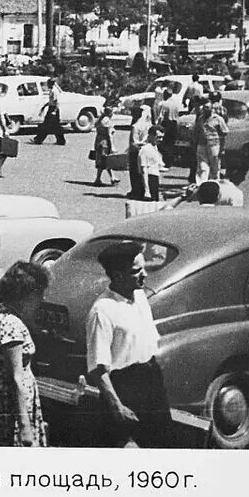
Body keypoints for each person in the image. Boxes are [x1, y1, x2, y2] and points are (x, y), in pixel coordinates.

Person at [87, 242, 172, 448]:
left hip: (150, 380)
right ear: (118, 276)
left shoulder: (140, 296)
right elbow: (98, 370)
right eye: (136, 271)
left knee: (162, 445)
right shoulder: (102, 311)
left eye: (144, 268)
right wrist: (117, 406)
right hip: (123, 387)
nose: (145, 275)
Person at [0, 261, 49, 446]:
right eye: (39, 295)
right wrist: (24, 426)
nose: (42, 300)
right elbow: (16, 378)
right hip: (11, 405)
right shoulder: (13, 326)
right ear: (27, 296)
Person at [193, 101, 228, 183]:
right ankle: (201, 184)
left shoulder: (218, 119)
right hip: (202, 144)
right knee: (202, 166)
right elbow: (196, 131)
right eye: (204, 107)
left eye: (207, 108)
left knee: (214, 166)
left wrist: (222, 147)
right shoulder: (200, 118)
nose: (205, 109)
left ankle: (214, 183)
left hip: (214, 145)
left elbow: (224, 132)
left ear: (212, 109)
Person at [126, 106, 151, 199]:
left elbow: (134, 142)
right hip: (145, 150)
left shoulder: (135, 126)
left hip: (136, 152)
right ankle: (142, 190)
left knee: (134, 173)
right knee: (143, 171)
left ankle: (135, 191)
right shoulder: (147, 124)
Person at [32, 80, 66, 145]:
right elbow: (51, 101)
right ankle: (38, 139)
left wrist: (54, 111)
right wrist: (44, 107)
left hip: (53, 110)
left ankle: (39, 139)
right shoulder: (51, 90)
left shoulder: (54, 91)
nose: (47, 85)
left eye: (48, 84)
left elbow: (56, 102)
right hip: (51, 108)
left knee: (52, 126)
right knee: (48, 125)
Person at [92, 106, 120, 187]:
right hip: (105, 143)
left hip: (98, 141)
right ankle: (99, 179)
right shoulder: (107, 121)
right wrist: (112, 146)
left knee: (104, 160)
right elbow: (109, 135)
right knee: (106, 160)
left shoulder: (101, 120)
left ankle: (112, 177)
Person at [138, 126, 165, 202]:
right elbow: (144, 170)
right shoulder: (145, 149)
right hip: (148, 180)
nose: (161, 140)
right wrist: (147, 190)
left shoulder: (155, 148)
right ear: (151, 136)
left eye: (162, 137)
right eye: (158, 137)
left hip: (155, 180)